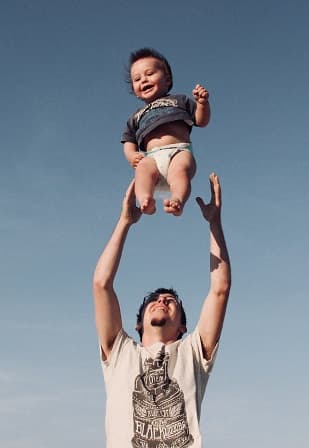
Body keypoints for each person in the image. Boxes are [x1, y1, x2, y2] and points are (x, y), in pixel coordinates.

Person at [92, 174, 231, 448]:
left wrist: (214, 223)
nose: (162, 301)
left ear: (182, 327)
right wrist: (124, 222)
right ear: (138, 324)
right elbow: (101, 284)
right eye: (154, 299)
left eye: (171, 301)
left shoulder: (192, 353)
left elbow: (220, 289)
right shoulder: (120, 353)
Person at [121, 48, 211, 216]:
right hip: (151, 157)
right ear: (134, 89)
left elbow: (201, 121)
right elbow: (128, 140)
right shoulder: (136, 116)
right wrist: (132, 156)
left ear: (167, 79)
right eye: (137, 79)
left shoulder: (180, 100)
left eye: (150, 74)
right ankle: (145, 199)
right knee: (142, 170)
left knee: (180, 171)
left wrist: (202, 104)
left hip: (179, 150)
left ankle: (177, 199)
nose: (144, 80)